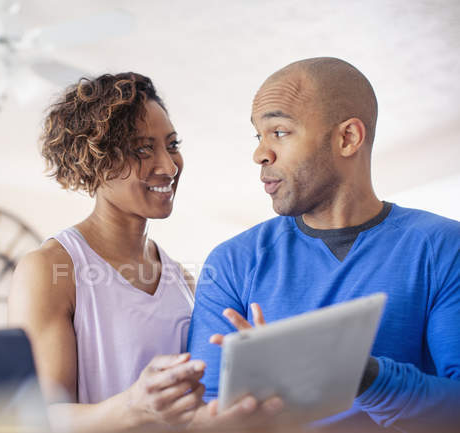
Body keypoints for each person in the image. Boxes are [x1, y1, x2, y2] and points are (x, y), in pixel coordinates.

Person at [187, 57, 460, 432]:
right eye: (258, 136)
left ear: (347, 138)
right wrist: (257, 398)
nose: (260, 154)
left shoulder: (443, 248)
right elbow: (202, 421)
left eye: (279, 132)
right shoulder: (233, 263)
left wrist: (358, 373)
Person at [8, 72, 280, 432]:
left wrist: (248, 374)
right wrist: (132, 407)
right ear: (96, 161)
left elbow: (190, 412)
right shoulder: (51, 268)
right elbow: (36, 421)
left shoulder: (181, 279)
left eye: (172, 144)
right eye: (142, 149)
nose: (168, 166)